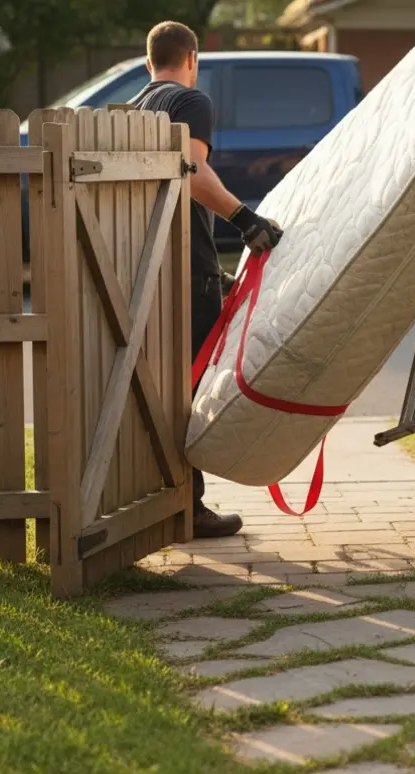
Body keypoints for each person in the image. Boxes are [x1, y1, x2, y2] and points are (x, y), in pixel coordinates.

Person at [130, 20, 283, 538]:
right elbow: (192, 170)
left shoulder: (136, 109)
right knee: (192, 390)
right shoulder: (189, 102)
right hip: (185, 272)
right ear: (191, 58)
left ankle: (161, 501)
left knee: (160, 392)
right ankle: (189, 509)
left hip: (148, 271)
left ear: (149, 60)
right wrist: (246, 220)